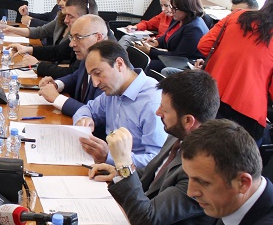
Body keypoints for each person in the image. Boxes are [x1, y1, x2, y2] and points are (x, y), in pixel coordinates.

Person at [88, 70, 220, 225]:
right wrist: (120, 173)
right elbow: (153, 174)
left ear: (188, 121)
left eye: (164, 109)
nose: (158, 113)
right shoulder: (177, 135)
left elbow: (148, 219)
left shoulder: (201, 170)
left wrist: (124, 164)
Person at [73, 41, 166, 170]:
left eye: (98, 73)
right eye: (91, 76)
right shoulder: (113, 90)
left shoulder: (152, 103)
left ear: (119, 64)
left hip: (134, 177)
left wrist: (110, 156)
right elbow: (87, 108)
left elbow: (158, 161)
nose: (95, 83)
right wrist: (83, 119)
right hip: (110, 168)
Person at [198, 0, 273, 142]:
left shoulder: (236, 15)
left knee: (202, 145)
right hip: (248, 108)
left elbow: (204, 45)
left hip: (211, 93)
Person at [181, 119, 273, 223]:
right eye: (188, 177)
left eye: (203, 182)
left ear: (242, 183)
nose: (190, 192)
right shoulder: (226, 205)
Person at [37, 15, 108, 119]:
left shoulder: (110, 67)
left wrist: (57, 98)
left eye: (78, 38)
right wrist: (56, 85)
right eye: (72, 37)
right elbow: (76, 77)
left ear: (98, 38)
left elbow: (97, 114)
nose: (71, 44)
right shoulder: (89, 55)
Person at [134, 0, 209, 73]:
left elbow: (178, 56)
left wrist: (150, 51)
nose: (172, 11)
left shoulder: (194, 29)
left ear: (186, 9)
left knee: (144, 64)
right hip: (172, 57)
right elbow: (168, 36)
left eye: (175, 8)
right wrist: (156, 42)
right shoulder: (179, 19)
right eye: (172, 7)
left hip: (184, 63)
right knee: (136, 57)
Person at [5, 0, 88, 46]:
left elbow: (58, 52)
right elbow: (41, 31)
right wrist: (10, 29)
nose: (60, 3)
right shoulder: (61, 17)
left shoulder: (81, 27)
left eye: (64, 0)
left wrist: (31, 51)